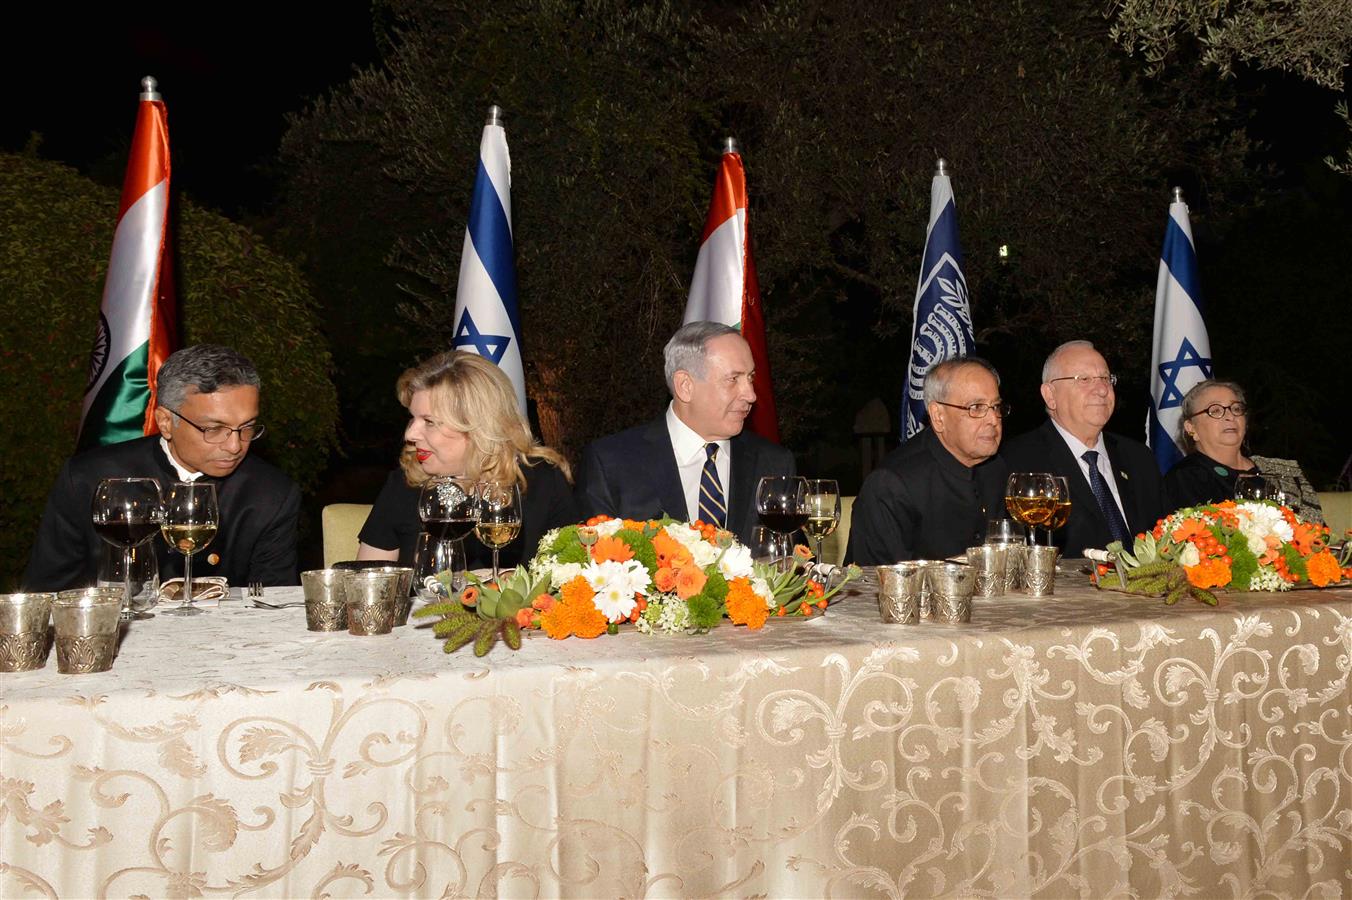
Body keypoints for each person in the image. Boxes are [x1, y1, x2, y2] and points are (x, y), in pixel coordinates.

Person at [25, 344, 301, 590]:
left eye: (247, 427)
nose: (235, 446)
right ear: (166, 422)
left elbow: (274, 607)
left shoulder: (272, 494)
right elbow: (49, 593)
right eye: (214, 429)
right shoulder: (89, 479)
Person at [576, 321, 795, 544]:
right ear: (685, 386)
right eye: (733, 379)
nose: (750, 394)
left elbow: (792, 563)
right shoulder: (611, 463)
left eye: (750, 377)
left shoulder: (774, 463)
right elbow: (593, 564)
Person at [357, 351, 577, 568]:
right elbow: (368, 589)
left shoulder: (543, 482)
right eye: (413, 419)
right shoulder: (405, 484)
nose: (410, 434)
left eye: (429, 422)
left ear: (479, 427)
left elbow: (573, 581)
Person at [1002, 340, 1163, 557]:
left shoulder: (1138, 457)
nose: (1102, 389)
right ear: (1050, 395)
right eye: (1084, 379)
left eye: (1106, 378)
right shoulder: (1018, 461)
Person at [847, 357, 1010, 564]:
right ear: (938, 416)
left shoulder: (996, 468)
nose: (993, 420)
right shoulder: (890, 485)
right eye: (976, 407)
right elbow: (876, 583)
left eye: (996, 407)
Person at [1163, 379, 1325, 523]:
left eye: (1236, 408)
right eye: (1215, 410)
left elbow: (1318, 537)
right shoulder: (1185, 478)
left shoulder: (1284, 471)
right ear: (1191, 428)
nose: (1230, 416)